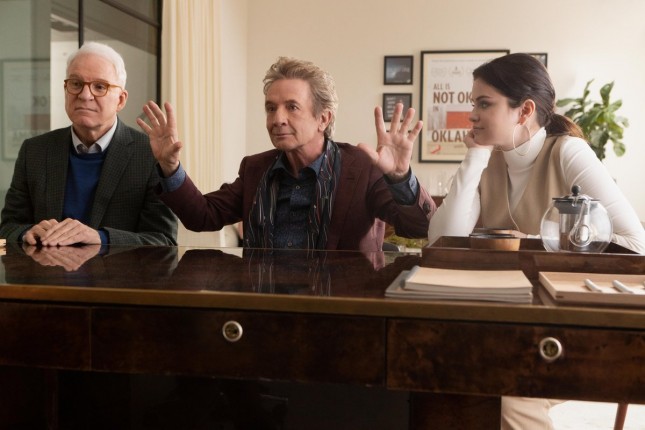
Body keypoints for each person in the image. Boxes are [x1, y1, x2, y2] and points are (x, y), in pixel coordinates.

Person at [427, 53, 645, 429]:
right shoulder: (487, 160)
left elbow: (635, 244)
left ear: (524, 110)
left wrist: (528, 240)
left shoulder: (568, 152)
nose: (472, 115)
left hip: (574, 326)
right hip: (508, 323)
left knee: (508, 390)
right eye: (472, 104)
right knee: (443, 376)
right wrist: (475, 156)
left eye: (484, 104)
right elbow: (443, 242)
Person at [138, 56, 435, 251]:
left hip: (340, 311)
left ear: (323, 119)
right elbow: (202, 216)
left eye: (292, 107)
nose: (277, 118)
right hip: (266, 306)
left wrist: (400, 177)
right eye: (271, 108)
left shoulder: (361, 168)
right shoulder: (255, 168)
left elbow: (420, 227)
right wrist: (170, 166)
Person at [0, 42, 177, 246]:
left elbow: (163, 240)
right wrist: (26, 233)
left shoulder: (150, 155)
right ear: (65, 90)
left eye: (100, 87)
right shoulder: (34, 151)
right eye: (76, 84)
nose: (85, 95)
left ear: (120, 100)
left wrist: (101, 238)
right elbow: (8, 228)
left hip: (115, 268)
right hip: (46, 267)